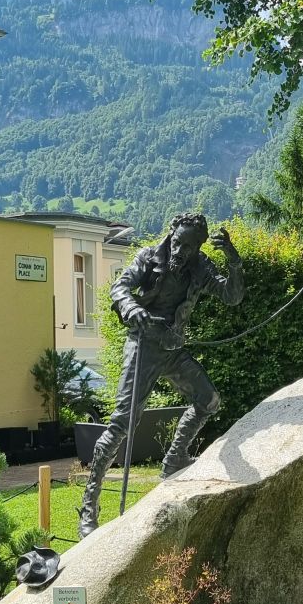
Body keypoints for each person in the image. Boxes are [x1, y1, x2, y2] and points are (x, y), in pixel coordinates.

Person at [77, 213, 244, 536]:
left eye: (190, 247)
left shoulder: (200, 266)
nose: (182, 251)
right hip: (143, 347)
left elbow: (231, 296)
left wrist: (234, 262)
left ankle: (174, 458)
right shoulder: (148, 256)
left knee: (209, 400)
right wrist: (132, 308)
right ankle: (89, 509)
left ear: (198, 248)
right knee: (122, 424)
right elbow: (120, 287)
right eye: (179, 243)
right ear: (171, 234)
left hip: (173, 349)